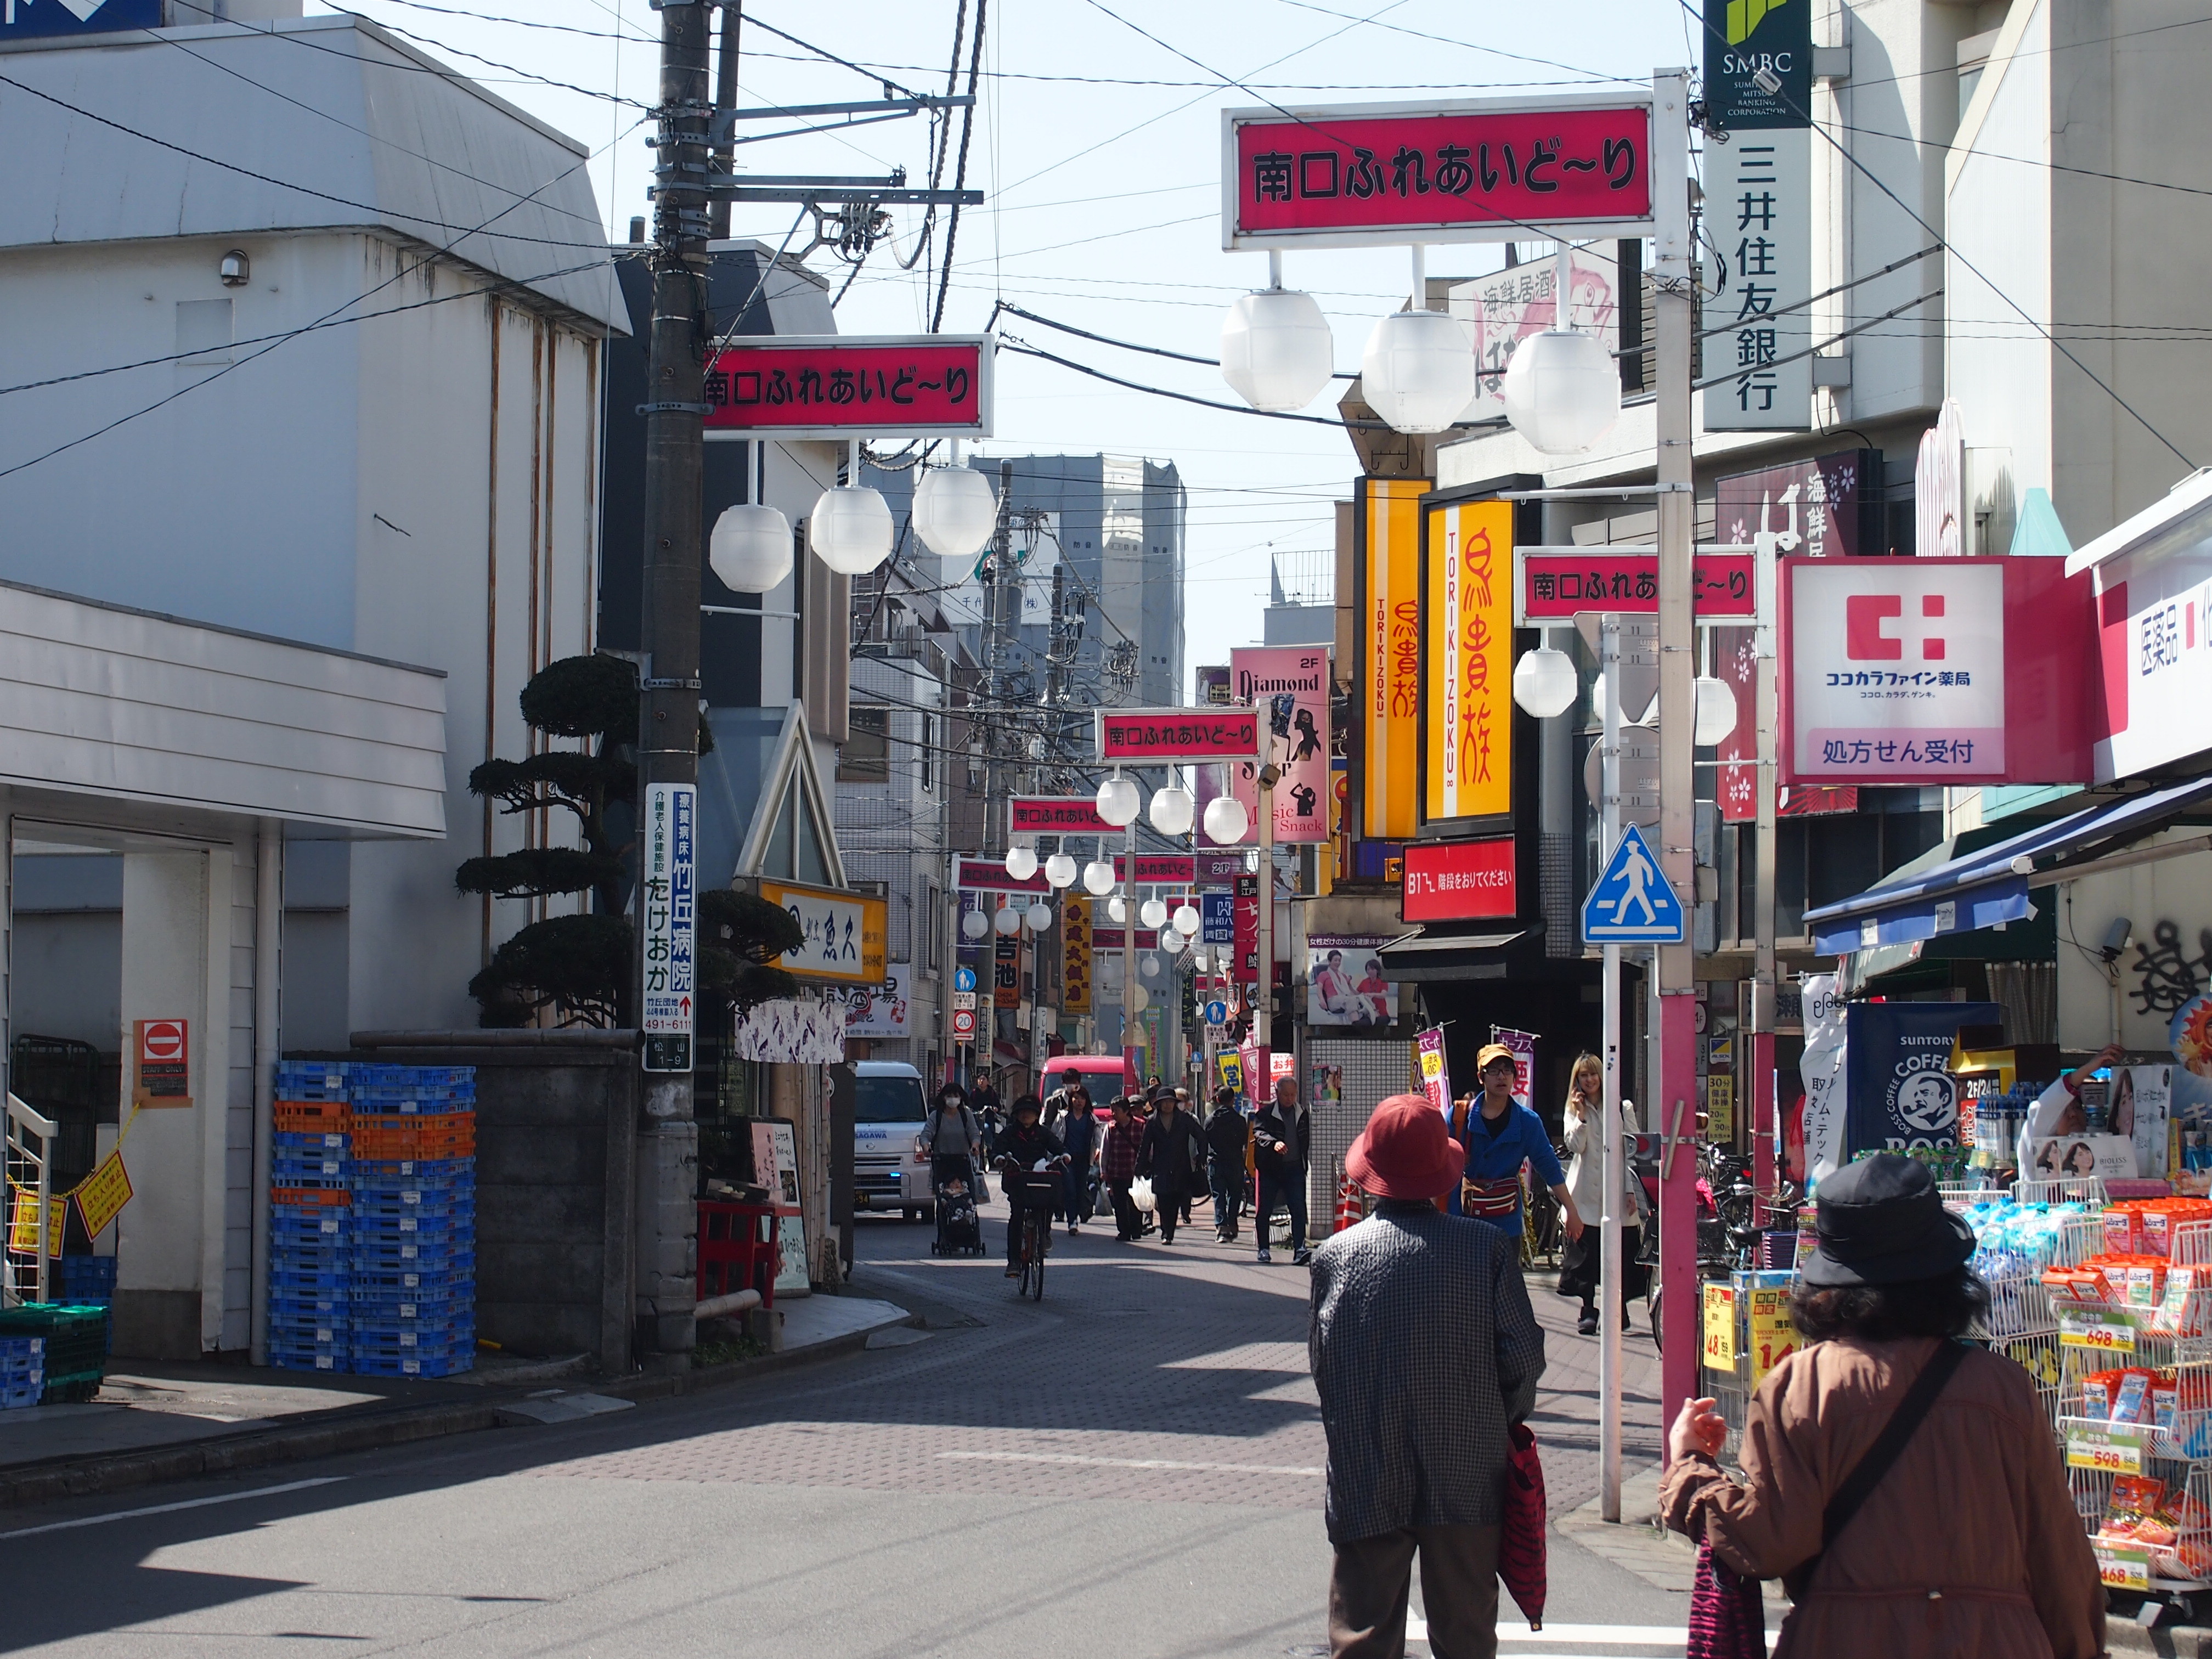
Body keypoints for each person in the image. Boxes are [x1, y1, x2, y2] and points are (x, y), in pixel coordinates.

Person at [1662, 1153, 2103, 1659]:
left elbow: (1768, 1540)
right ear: (1945, 1272)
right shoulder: (2005, 1388)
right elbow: (2060, 1562)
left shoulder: (1800, 1388)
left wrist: (1691, 1471)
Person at [1311, 1095, 1545, 1659]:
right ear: (1442, 1170)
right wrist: (1495, 1417)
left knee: (1363, 1634)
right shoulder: (1484, 1249)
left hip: (1368, 1463)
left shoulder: (1335, 1257)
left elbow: (1326, 1369)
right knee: (1466, 1635)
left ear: (1371, 1173)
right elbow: (1523, 1361)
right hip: (1467, 1466)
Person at [1446, 1046, 1583, 1252]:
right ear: (1481, 1077)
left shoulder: (1528, 1122)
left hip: (1506, 1225)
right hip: (1463, 1223)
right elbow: (1440, 1165)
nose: (1501, 1076)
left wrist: (1571, 1210)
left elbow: (1549, 1167)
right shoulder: (1459, 1116)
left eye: (1507, 1070)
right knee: (1464, 1284)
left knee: (1505, 1284)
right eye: (1493, 1071)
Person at [1555, 1053, 1645, 1335]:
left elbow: (1632, 1151)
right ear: (1577, 1080)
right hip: (1584, 1193)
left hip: (1616, 1192)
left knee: (1619, 1253)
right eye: (1584, 1075)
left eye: (1593, 1074)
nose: (1590, 1080)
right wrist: (1581, 1117)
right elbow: (1575, 1146)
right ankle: (1588, 1311)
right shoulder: (1574, 1108)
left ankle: (1620, 1310)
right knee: (1585, 1255)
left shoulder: (1620, 1106)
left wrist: (1632, 1190)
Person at [993, 1095, 1066, 1277]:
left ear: (1036, 1115)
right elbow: (996, 1149)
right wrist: (999, 1159)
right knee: (1017, 1216)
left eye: (1030, 1112)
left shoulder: (1043, 1133)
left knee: (1050, 1203)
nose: (1026, 1115)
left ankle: (1045, 1233)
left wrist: (1064, 1156)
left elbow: (1058, 1147)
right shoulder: (1009, 1132)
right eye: (1023, 1112)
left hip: (1039, 1181)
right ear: (1017, 1115)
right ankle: (1014, 1261)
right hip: (1017, 1180)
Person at [1254, 1074, 1312, 1266]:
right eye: (1286, 1095)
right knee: (1265, 1210)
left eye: (1293, 1095)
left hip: (1295, 1168)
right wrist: (1274, 1143)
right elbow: (1259, 1133)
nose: (1290, 1099)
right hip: (1272, 1169)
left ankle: (1300, 1249)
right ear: (1277, 1093)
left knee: (1298, 1209)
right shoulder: (1266, 1113)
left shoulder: (1302, 1113)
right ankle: (1264, 1249)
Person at [1137, 1087, 1205, 1245]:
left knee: (1174, 1201)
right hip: (1159, 1167)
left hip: (1180, 1166)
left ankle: (1169, 1233)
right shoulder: (1153, 1122)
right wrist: (1140, 1167)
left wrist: (1201, 1157)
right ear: (1158, 1104)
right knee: (1162, 1200)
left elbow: (1201, 1136)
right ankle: (1165, 1232)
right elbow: (1145, 1146)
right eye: (1164, 1103)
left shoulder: (1184, 1119)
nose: (1167, 1105)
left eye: (1170, 1102)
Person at [919, 1082, 986, 1196]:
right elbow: (925, 1136)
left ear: (961, 1098)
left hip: (962, 1162)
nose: (952, 1099)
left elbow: (974, 1134)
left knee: (965, 1196)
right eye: (949, 1096)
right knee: (943, 1198)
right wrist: (926, 1148)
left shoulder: (966, 1115)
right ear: (943, 1098)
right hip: (942, 1162)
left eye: (956, 1096)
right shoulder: (936, 1116)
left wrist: (975, 1147)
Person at [1205, 1086, 1252, 1243]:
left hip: (1216, 1162)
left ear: (1218, 1100)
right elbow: (1243, 1142)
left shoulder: (1211, 1119)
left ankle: (1222, 1227)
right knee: (1235, 1195)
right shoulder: (1239, 1120)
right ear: (1233, 1100)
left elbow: (1206, 1141)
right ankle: (1232, 1223)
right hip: (1235, 1162)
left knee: (1219, 1196)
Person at [1101, 1096, 1145, 1242]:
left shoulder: (1141, 1126)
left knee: (1135, 1202)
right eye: (1112, 1111)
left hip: (1136, 1172)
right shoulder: (1110, 1128)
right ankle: (1124, 1232)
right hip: (1116, 1171)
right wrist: (1104, 1170)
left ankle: (1136, 1229)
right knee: (1120, 1204)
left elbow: (1148, 1149)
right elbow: (1105, 1150)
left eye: (1116, 1111)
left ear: (1126, 1111)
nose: (1113, 1114)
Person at [1056, 1085, 1098, 1234]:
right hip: (1067, 1159)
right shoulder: (1063, 1117)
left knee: (1081, 1190)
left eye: (1082, 1098)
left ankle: (1082, 1211)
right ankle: (1072, 1221)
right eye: (1076, 1098)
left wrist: (1098, 1152)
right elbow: (1055, 1137)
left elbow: (1098, 1140)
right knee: (1070, 1189)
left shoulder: (1092, 1119)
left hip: (1084, 1160)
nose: (1079, 1101)